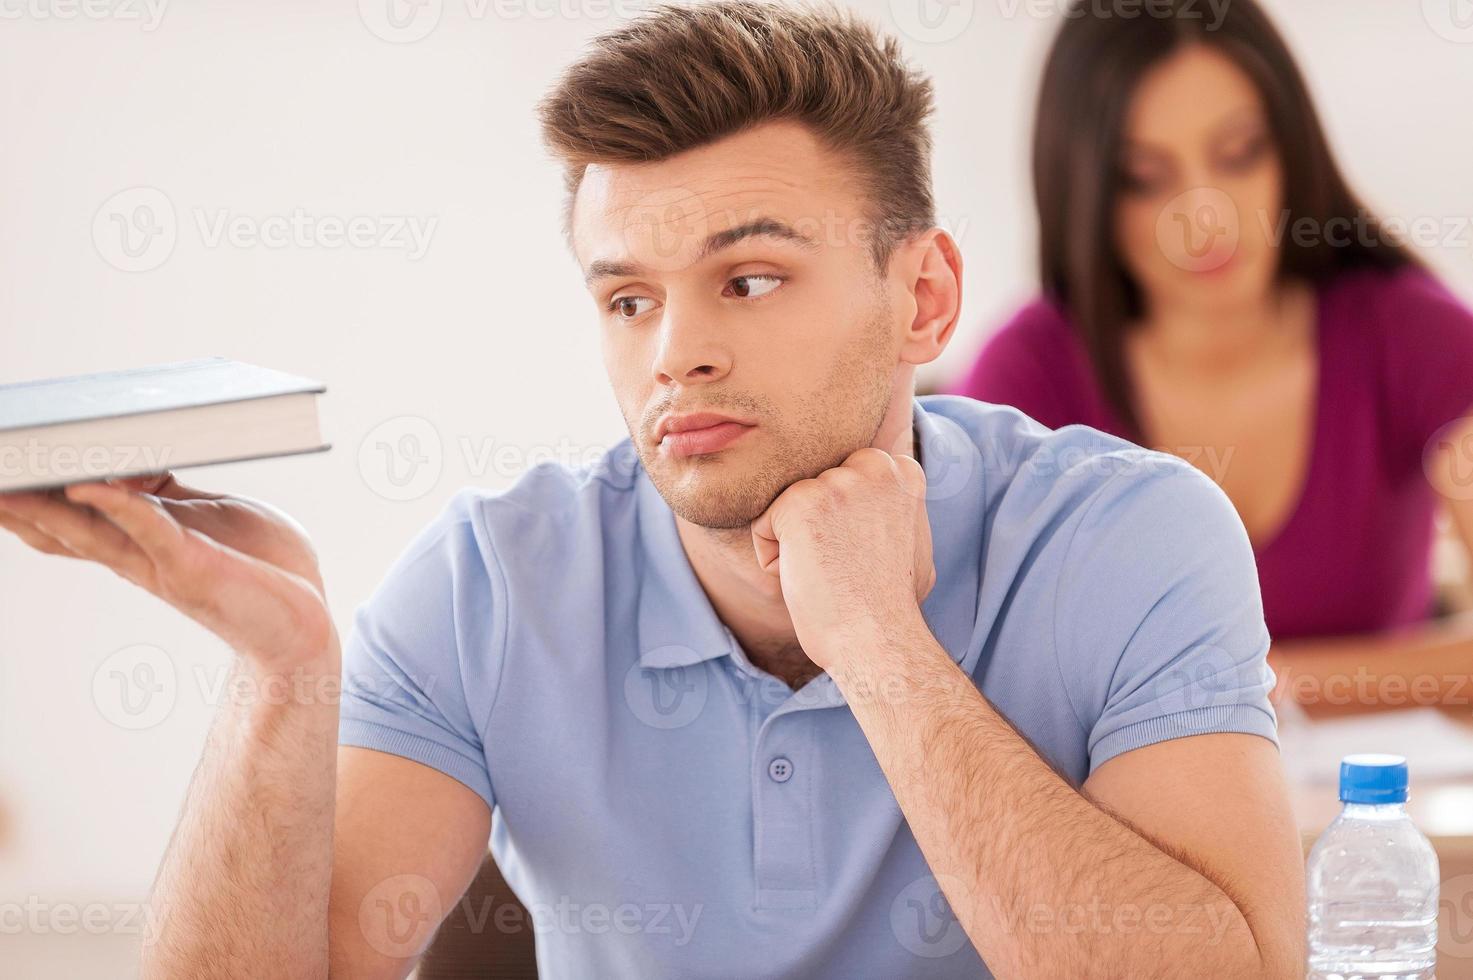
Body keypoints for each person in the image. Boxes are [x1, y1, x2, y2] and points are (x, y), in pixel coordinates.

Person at [0, 3, 1306, 976]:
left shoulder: (1134, 537)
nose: (674, 349)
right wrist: (280, 673)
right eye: (628, 297)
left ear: (923, 296)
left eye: (747, 280)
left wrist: (879, 647)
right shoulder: (489, 585)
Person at [948, 0, 1473, 720]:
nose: (1204, 215)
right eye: (1144, 177)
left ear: (1292, 149)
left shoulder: (1414, 336)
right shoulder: (1024, 378)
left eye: (1238, 154)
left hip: (1370, 819)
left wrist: (1253, 686)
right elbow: (979, 679)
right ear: (1087, 191)